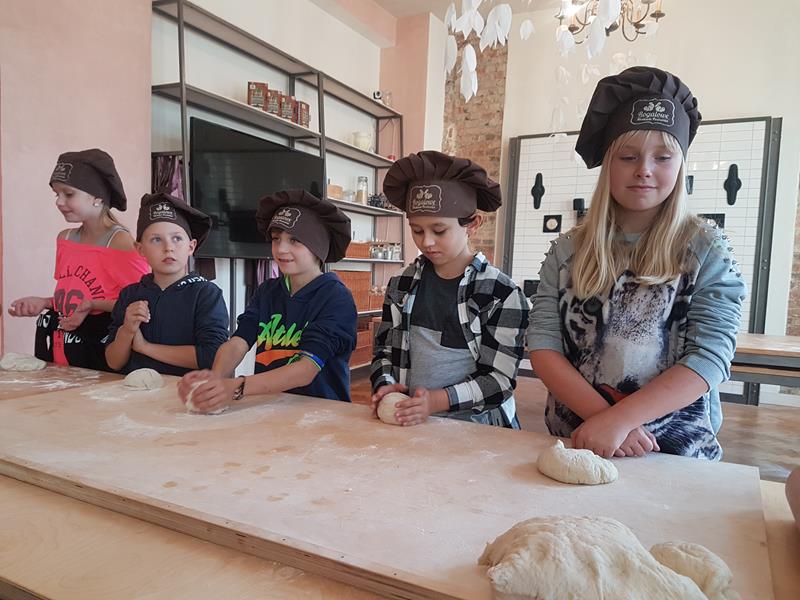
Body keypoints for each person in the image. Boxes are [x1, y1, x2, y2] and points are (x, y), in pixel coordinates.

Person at [528, 66, 746, 460]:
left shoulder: (708, 250)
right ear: (607, 164)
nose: (644, 168)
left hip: (674, 452)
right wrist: (604, 420)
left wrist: (621, 420)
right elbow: (543, 345)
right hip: (578, 440)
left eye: (662, 157)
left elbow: (710, 357)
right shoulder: (567, 251)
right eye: (628, 156)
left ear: (681, 164)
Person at [370, 150, 529, 428]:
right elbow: (384, 351)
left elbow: (499, 381)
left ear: (473, 224)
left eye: (439, 230)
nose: (427, 242)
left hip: (479, 427)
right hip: (412, 421)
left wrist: (436, 401)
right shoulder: (401, 286)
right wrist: (385, 384)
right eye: (417, 230)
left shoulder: (501, 294)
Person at [178, 189, 357, 413]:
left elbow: (306, 369)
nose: (281, 249)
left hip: (321, 414)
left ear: (318, 247)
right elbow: (238, 342)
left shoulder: (335, 298)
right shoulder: (268, 291)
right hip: (271, 409)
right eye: (275, 239)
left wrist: (237, 386)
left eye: (295, 240)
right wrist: (216, 379)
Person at [8, 148, 150, 371]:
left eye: (68, 194)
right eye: (56, 194)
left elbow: (142, 302)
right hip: (61, 349)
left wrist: (91, 305)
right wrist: (45, 302)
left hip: (98, 355)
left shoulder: (120, 242)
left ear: (97, 197)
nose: (59, 201)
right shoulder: (65, 239)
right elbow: (75, 293)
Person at [105, 192, 229, 375]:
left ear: (191, 246)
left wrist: (145, 347)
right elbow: (113, 362)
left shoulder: (206, 294)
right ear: (140, 249)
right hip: (136, 391)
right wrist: (127, 330)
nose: (168, 248)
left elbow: (212, 357)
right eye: (156, 240)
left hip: (186, 390)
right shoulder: (130, 295)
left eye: (177, 238)